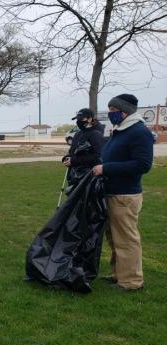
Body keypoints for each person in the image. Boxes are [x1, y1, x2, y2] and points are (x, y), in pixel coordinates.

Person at [92, 94, 154, 291]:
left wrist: (107, 168)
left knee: (126, 238)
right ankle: (119, 273)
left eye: (112, 110)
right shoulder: (121, 130)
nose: (110, 113)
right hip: (112, 192)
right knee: (114, 236)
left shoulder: (138, 131)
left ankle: (131, 281)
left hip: (125, 195)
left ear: (124, 111)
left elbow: (143, 164)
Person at [62, 108, 105, 189]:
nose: (78, 121)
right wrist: (67, 158)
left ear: (90, 119)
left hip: (89, 176)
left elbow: (97, 155)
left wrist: (73, 161)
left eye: (81, 119)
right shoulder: (78, 133)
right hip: (75, 175)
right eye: (77, 119)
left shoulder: (96, 134)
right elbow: (72, 151)